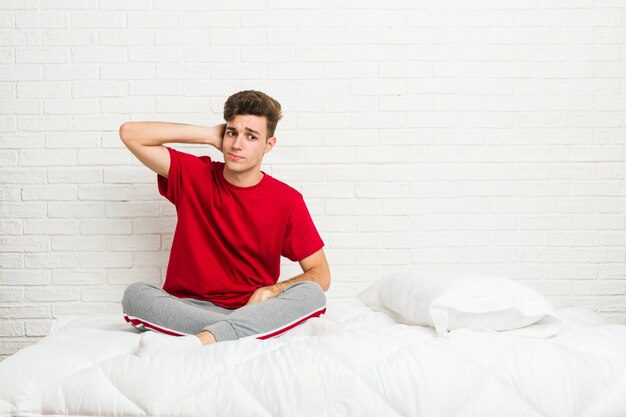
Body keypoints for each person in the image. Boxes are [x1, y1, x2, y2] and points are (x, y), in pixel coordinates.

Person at [119, 90, 330, 356]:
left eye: (251, 136)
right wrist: (208, 135)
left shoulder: (287, 200)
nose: (237, 144)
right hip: (186, 308)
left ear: (269, 144)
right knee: (136, 295)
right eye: (232, 133)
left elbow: (320, 275)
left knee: (312, 295)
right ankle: (235, 332)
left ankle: (202, 340)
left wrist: (272, 291)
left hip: (252, 308)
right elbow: (130, 133)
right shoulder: (195, 174)